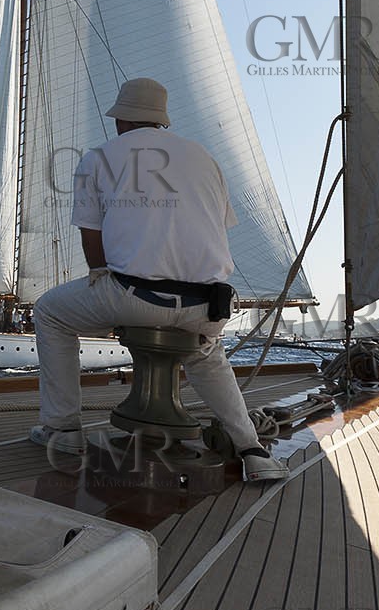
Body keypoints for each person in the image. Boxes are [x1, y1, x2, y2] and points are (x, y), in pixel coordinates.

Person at [30, 78, 287, 482]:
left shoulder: (99, 158)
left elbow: (90, 237)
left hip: (136, 296)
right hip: (210, 304)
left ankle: (63, 430)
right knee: (205, 351)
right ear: (160, 121)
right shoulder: (204, 157)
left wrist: (101, 279)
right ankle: (253, 450)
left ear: (122, 120)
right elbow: (218, 226)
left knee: (50, 312)